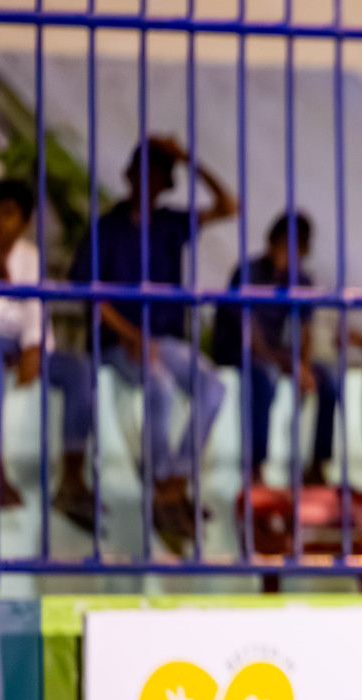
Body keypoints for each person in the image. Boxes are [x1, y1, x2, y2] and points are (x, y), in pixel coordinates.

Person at [68, 136, 234, 550]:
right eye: (143, 173)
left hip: (163, 339)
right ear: (128, 176)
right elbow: (91, 294)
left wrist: (190, 157)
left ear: (166, 183)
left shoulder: (170, 224)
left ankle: (173, 482)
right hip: (117, 342)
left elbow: (229, 206)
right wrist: (131, 335)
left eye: (158, 175)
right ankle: (160, 483)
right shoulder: (105, 228)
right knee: (157, 385)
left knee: (214, 387)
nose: (148, 182)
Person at [0, 179, 96, 527]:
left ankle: (71, 478)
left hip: (21, 345)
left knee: (80, 372)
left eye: (8, 213)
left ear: (24, 221)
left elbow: (35, 312)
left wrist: (32, 347)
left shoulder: (30, 257)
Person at [214, 212, 339, 482]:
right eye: (282, 245)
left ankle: (318, 464)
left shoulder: (302, 280)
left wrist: (304, 366)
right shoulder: (248, 272)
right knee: (265, 376)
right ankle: (255, 465)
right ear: (270, 242)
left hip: (275, 353)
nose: (286, 255)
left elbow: (305, 331)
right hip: (237, 349)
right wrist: (291, 365)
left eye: (295, 250)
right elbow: (250, 333)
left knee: (329, 381)